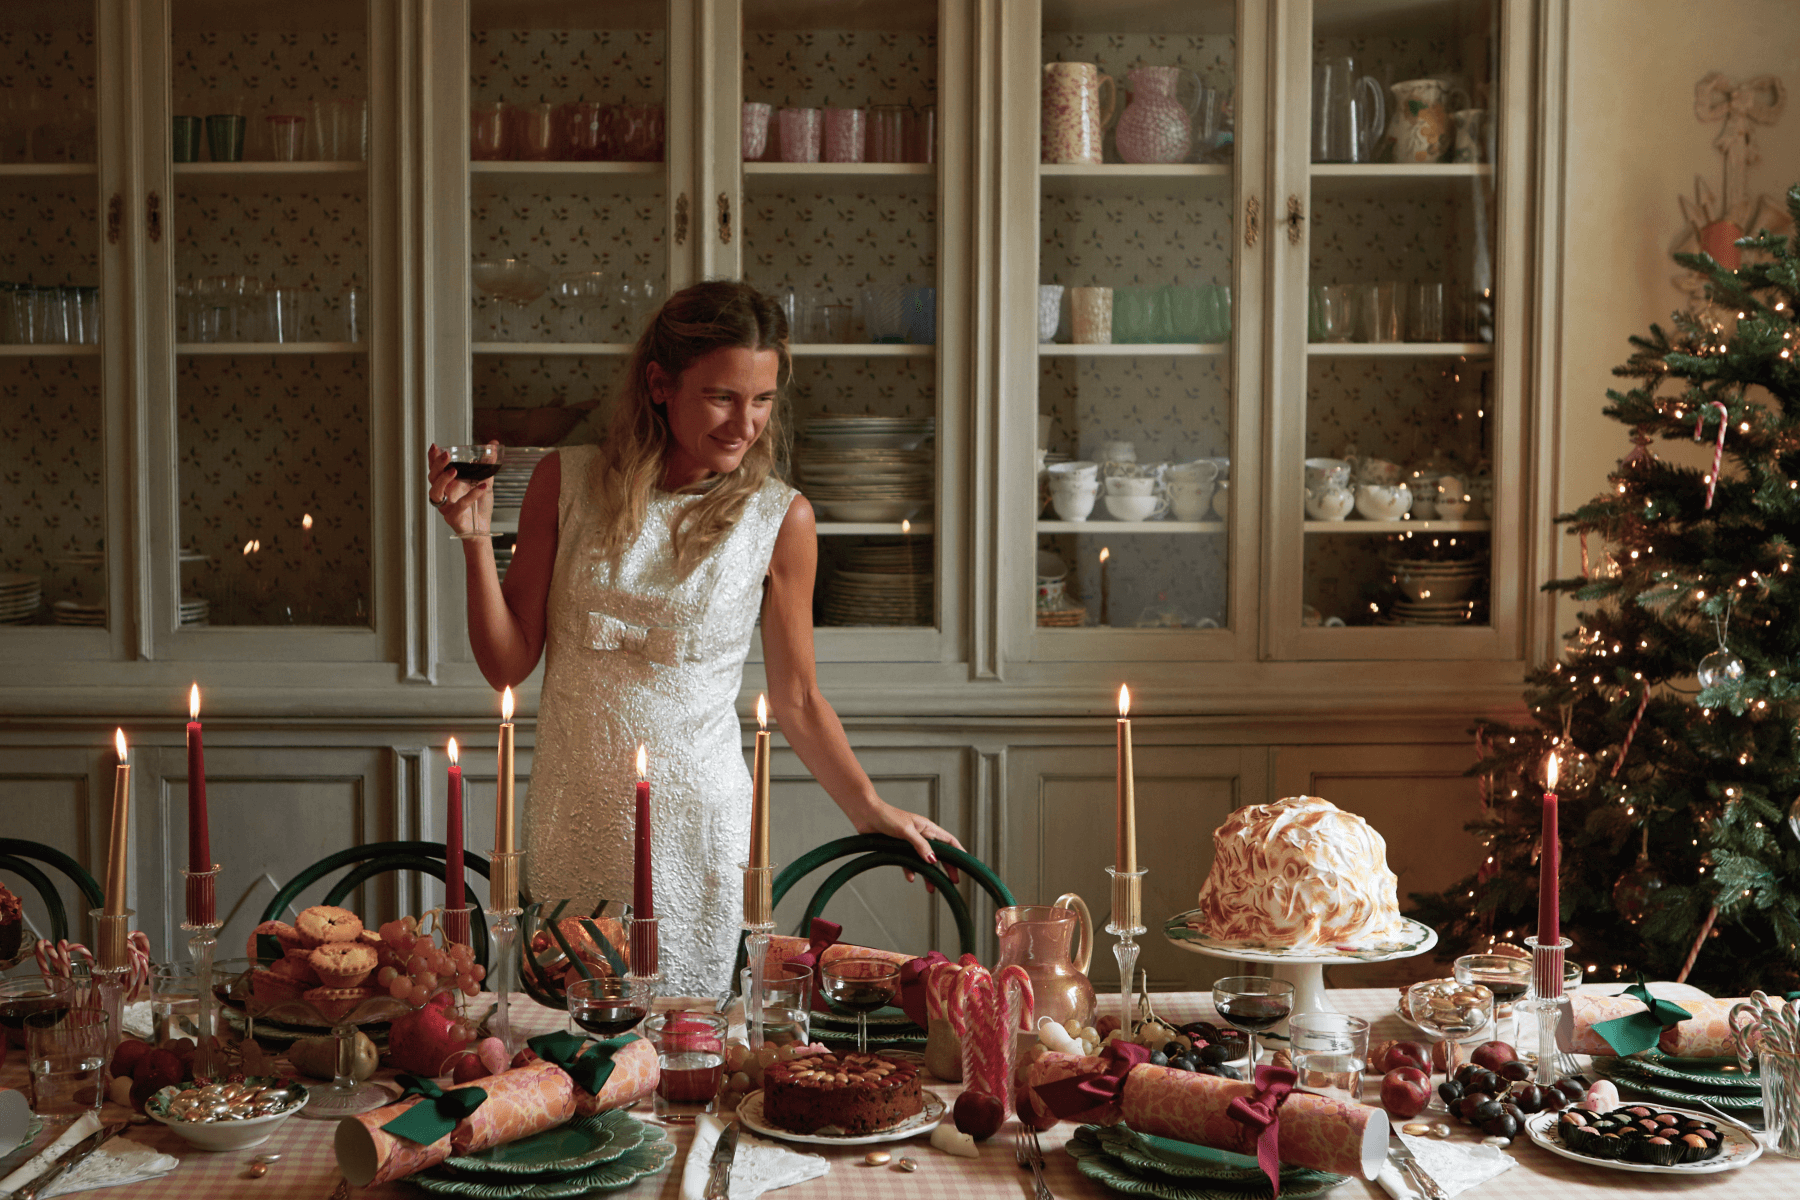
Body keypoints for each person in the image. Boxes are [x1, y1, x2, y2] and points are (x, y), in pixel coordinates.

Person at [426, 280, 961, 996]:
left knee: (687, 1056)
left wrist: (871, 806)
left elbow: (797, 698)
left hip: (697, 836)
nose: (747, 424)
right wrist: (471, 540)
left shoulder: (782, 519)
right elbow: (507, 663)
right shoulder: (565, 481)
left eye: (763, 399)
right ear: (659, 384)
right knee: (566, 1062)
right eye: (722, 397)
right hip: (569, 822)